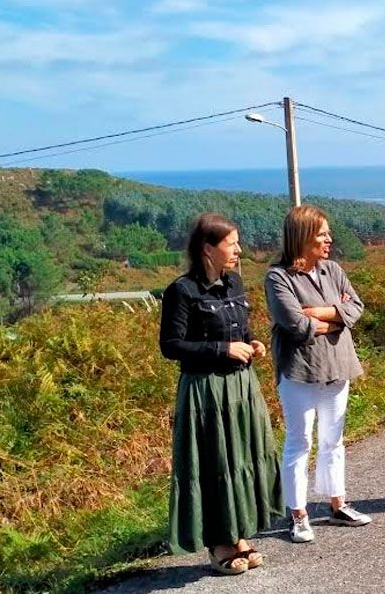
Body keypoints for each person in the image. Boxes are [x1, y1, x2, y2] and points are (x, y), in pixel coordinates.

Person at [159, 213, 283, 575]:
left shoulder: (235, 284)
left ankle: (239, 533)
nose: (239, 250)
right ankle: (218, 543)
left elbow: (238, 332)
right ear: (207, 249)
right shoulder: (182, 291)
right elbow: (171, 346)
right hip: (206, 390)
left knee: (243, 455)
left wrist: (250, 344)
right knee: (215, 462)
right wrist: (221, 350)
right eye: (232, 244)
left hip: (241, 386)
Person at [265, 205, 372, 544]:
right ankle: (298, 515)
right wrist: (336, 319)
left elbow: (355, 308)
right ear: (303, 236)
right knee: (300, 442)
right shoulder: (278, 277)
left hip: (337, 367)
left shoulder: (333, 270)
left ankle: (337, 504)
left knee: (333, 440)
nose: (329, 239)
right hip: (299, 371)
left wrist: (320, 314)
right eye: (322, 233)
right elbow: (294, 324)